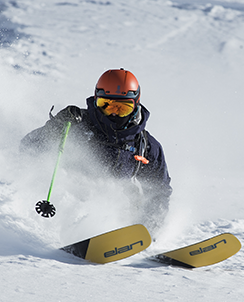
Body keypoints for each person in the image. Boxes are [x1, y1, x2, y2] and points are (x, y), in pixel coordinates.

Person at [20, 68, 171, 234]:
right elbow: (28, 147)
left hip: (119, 218)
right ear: (96, 100)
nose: (114, 114)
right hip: (67, 212)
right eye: (106, 106)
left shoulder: (146, 146)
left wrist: (149, 227)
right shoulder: (75, 125)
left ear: (136, 105)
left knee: (133, 196)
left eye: (123, 108)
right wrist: (55, 127)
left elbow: (160, 191)